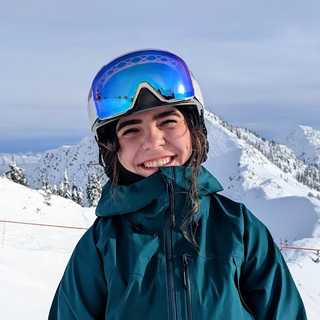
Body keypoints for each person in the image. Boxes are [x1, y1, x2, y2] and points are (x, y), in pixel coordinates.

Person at [48, 49, 307, 319]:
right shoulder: (101, 244)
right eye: (131, 130)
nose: (153, 141)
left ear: (193, 130)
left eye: (168, 122)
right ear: (113, 149)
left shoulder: (238, 228)